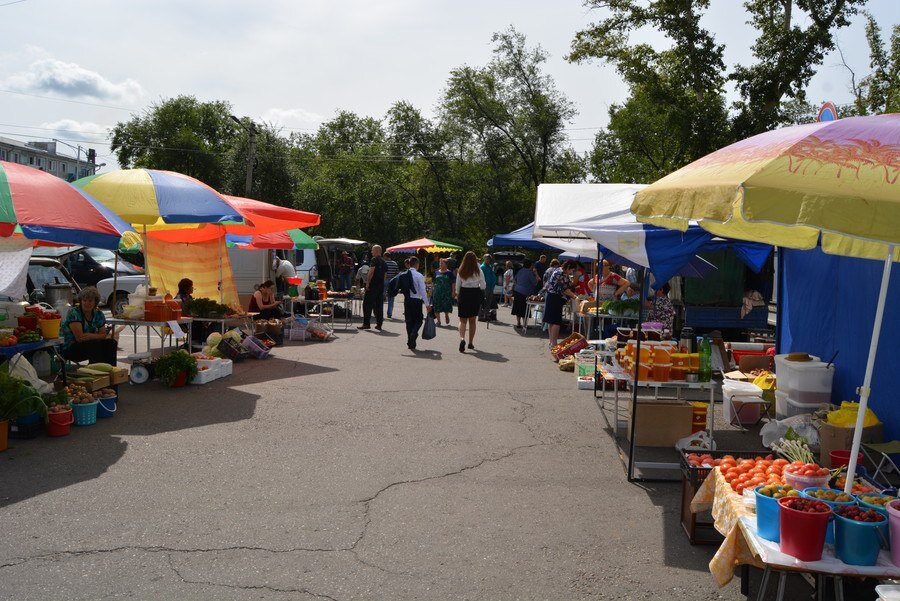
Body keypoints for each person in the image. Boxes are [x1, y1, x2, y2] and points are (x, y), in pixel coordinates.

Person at [61, 287, 117, 365]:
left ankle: (111, 371)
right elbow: (80, 338)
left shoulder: (98, 314)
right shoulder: (74, 312)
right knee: (94, 344)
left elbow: (104, 335)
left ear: (95, 302)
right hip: (69, 348)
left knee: (111, 343)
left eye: (90, 301)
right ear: (81, 301)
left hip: (88, 344)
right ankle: (96, 372)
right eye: (84, 300)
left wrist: (90, 336)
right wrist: (96, 335)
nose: (87, 303)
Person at [543, 260, 579, 352]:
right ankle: (554, 343)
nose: (571, 272)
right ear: (568, 267)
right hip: (555, 298)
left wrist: (575, 278)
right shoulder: (561, 273)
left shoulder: (560, 271)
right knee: (556, 322)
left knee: (551, 321)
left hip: (552, 297)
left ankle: (552, 342)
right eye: (571, 270)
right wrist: (574, 296)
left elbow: (569, 285)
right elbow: (565, 289)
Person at [455, 251, 485, 352]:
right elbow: (483, 285)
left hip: (464, 294)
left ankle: (462, 339)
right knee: (472, 320)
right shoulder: (479, 271)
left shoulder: (461, 270)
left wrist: (458, 295)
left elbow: (458, 285)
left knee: (462, 320)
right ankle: (471, 343)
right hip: (474, 294)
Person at [403, 256, 430, 350]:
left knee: (409, 321)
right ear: (417, 264)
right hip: (416, 300)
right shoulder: (419, 275)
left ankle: (411, 342)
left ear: (409, 264)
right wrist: (427, 304)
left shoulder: (404, 274)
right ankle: (414, 333)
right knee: (418, 320)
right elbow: (423, 291)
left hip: (407, 300)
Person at [361, 244, 387, 330]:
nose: (371, 252)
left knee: (367, 304)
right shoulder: (384, 262)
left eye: (372, 250)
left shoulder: (374, 260)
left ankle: (366, 324)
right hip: (380, 286)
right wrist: (381, 284)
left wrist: (368, 283)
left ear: (376, 251)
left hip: (373, 285)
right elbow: (385, 275)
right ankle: (379, 324)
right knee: (379, 306)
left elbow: (371, 272)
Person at [512, 258, 538, 329]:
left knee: (517, 308)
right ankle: (524, 324)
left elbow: (515, 279)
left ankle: (518, 323)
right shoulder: (529, 273)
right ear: (530, 265)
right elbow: (535, 283)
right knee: (524, 309)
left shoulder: (520, 271)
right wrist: (535, 274)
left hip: (517, 291)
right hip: (525, 292)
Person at [431, 258, 455, 325]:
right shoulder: (436, 272)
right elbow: (433, 282)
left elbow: (453, 283)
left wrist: (453, 292)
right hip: (437, 292)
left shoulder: (449, 273)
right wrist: (431, 291)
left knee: (446, 306)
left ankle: (446, 315)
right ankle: (438, 321)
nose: (440, 264)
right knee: (436, 306)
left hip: (446, 293)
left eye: (442, 263)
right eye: (440, 263)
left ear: (446, 265)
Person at [480, 254, 497, 321]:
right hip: (485, 287)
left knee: (489, 302)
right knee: (483, 302)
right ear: (484, 259)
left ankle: (486, 315)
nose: (488, 260)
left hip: (491, 287)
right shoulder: (482, 267)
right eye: (487, 259)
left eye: (489, 259)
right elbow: (481, 278)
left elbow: (492, 276)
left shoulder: (490, 267)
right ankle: (481, 315)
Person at [383, 252, 399, 319]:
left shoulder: (384, 263)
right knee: (391, 298)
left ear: (386, 256)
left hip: (385, 280)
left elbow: (383, 272)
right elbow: (397, 273)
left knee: (381, 297)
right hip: (392, 281)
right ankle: (389, 313)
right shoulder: (395, 263)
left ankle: (379, 312)